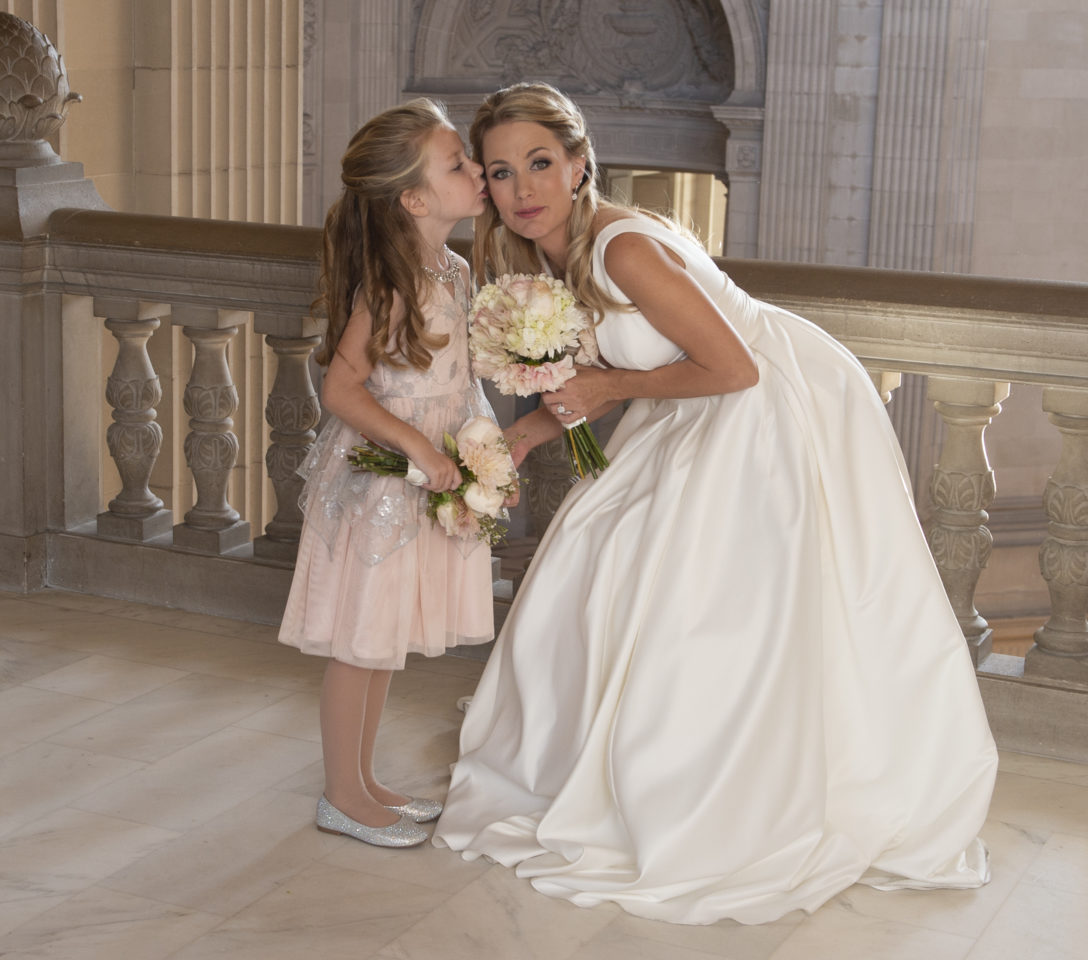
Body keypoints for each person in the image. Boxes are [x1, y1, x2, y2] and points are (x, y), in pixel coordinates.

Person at [432, 82, 998, 923]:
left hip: (762, 407)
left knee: (703, 597)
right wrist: (524, 440)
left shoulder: (620, 249)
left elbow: (733, 368)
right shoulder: (552, 255)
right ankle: (595, 753)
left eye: (541, 165)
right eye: (504, 172)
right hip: (690, 403)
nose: (525, 191)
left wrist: (605, 383)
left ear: (580, 164)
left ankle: (709, 785)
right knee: (602, 558)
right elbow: (618, 381)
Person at [278, 98, 495, 847]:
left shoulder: (456, 270)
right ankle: (341, 794)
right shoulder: (393, 282)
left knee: (386, 637)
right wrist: (421, 450)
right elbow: (342, 390)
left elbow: (459, 380)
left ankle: (365, 782)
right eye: (458, 165)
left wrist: (477, 455)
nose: (476, 173)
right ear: (413, 197)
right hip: (380, 479)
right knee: (358, 640)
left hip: (429, 471)